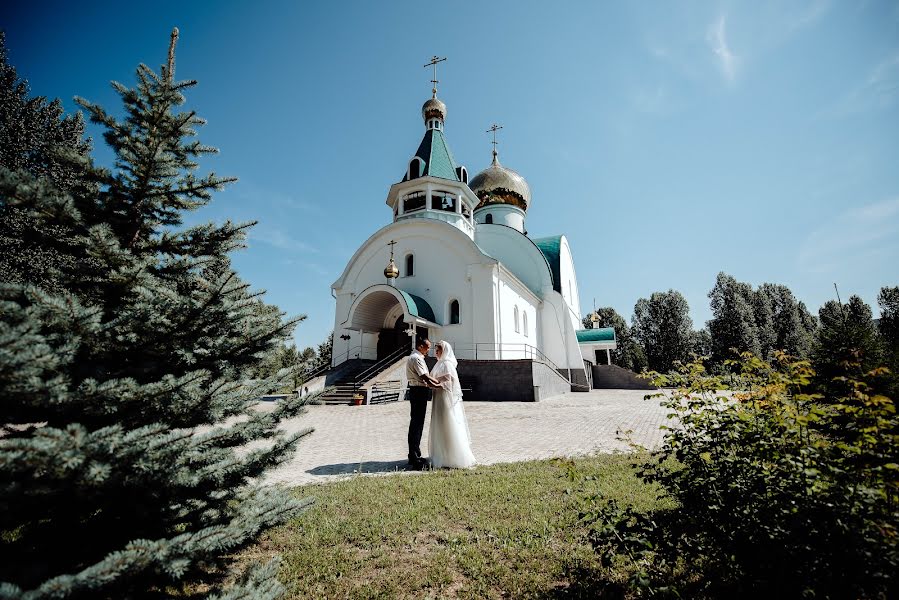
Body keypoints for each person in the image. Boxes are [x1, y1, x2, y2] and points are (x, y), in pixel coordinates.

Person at [428, 340, 476, 469]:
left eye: (439, 350)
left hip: (444, 399)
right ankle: (441, 454)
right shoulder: (438, 364)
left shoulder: (447, 364)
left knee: (447, 423)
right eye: (436, 349)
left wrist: (433, 384)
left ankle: (451, 456)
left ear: (445, 351)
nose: (436, 352)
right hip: (437, 397)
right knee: (439, 424)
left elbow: (448, 383)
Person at [406, 338, 439, 470]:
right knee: (417, 424)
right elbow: (424, 376)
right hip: (418, 391)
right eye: (427, 347)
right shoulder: (416, 358)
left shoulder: (416, 357)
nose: (429, 350)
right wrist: (438, 384)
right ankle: (415, 458)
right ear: (420, 346)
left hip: (418, 391)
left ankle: (414, 454)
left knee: (417, 423)